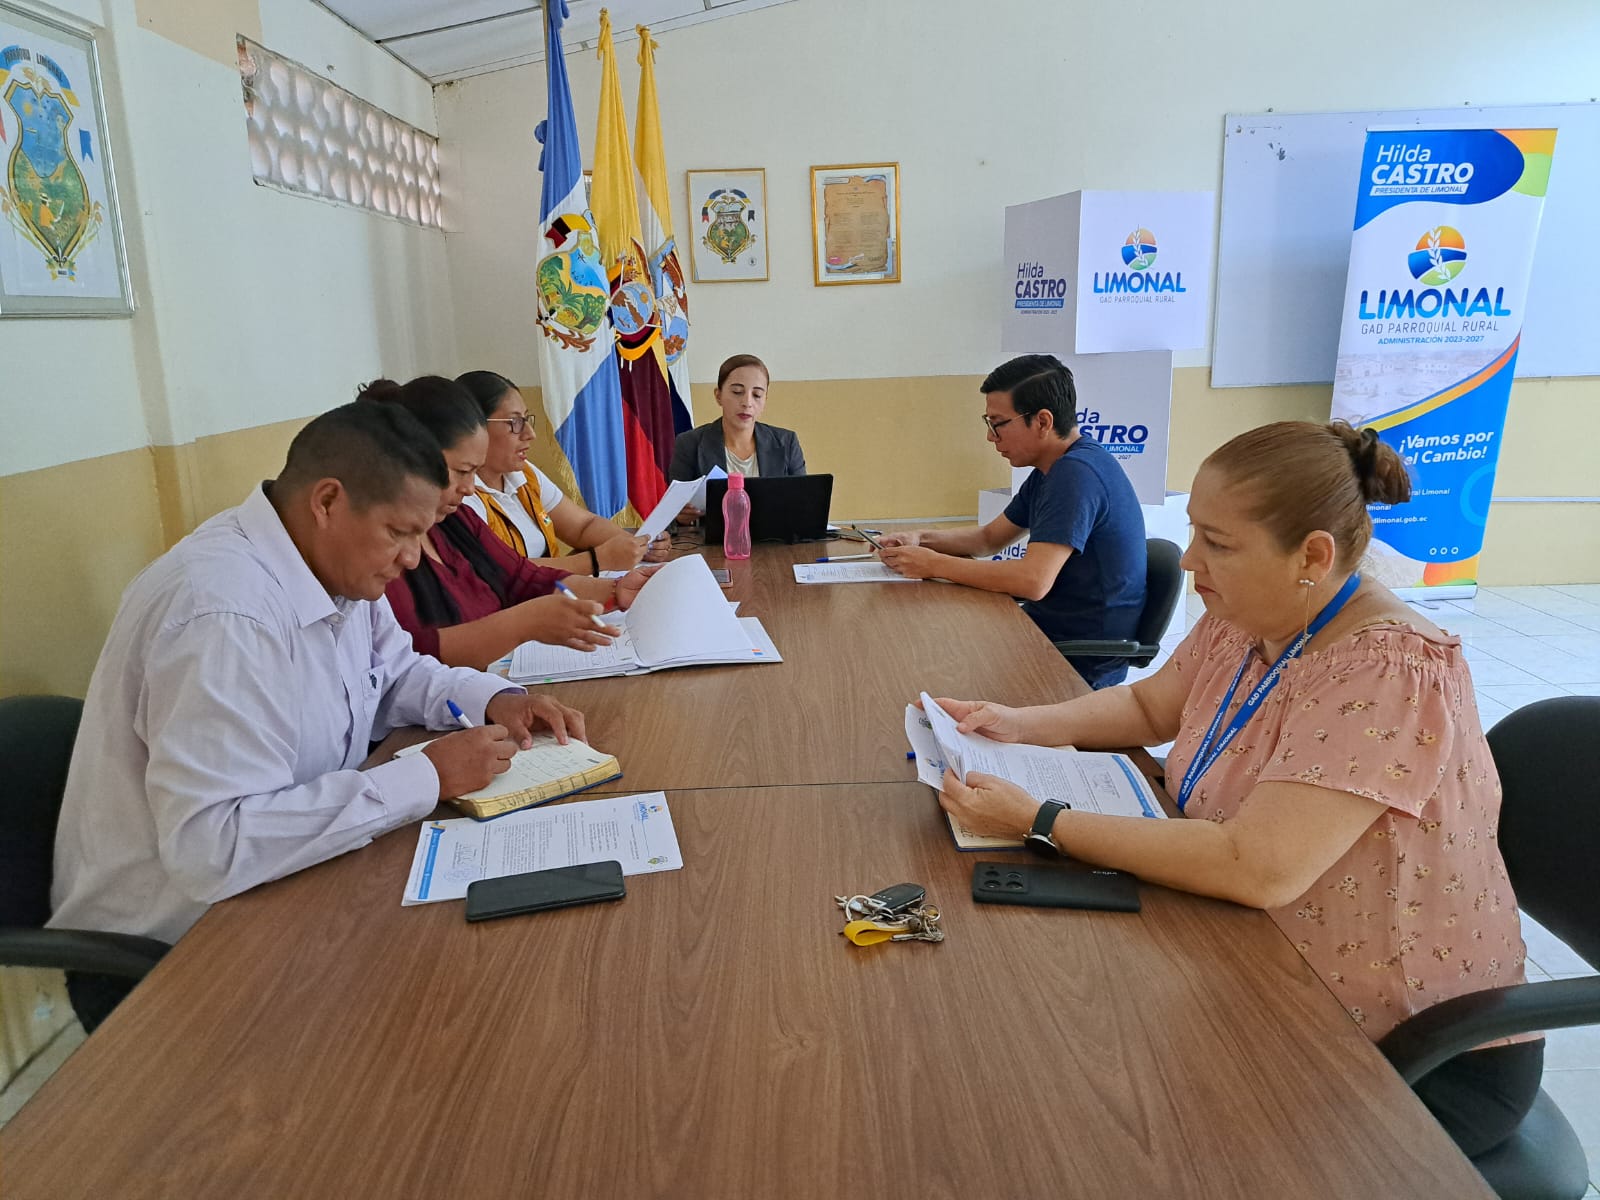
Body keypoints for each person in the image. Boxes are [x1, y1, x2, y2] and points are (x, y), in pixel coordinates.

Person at [929, 419, 1539, 1159]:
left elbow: (1259, 867)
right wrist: (1018, 723)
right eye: (1194, 532)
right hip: (1258, 958)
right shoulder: (1253, 614)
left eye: (1217, 543)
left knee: (1116, 1125)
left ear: (1312, 556)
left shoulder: (1386, 669)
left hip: (1406, 1045)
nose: (1191, 559)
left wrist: (1041, 818)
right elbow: (1149, 706)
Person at [50, 400, 587, 1031]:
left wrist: (493, 698)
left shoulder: (332, 566)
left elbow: (394, 672)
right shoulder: (222, 615)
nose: (413, 558)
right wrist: (426, 777)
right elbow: (212, 848)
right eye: (399, 533)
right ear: (328, 501)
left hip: (284, 886)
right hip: (177, 950)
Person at [878, 354, 1146, 688]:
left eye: (998, 423)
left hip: (1076, 659)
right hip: (1047, 632)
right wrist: (920, 538)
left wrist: (932, 564)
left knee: (928, 666)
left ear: (1043, 421)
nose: (991, 437)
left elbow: (1033, 581)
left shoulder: (1075, 474)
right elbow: (988, 539)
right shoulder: (1054, 468)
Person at [365, 376, 652, 671]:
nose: (469, 488)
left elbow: (521, 577)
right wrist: (523, 623)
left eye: (474, 473)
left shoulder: (456, 519)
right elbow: (411, 653)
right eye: (462, 471)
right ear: (415, 462)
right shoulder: (380, 553)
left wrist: (616, 589)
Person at [456, 370, 669, 571]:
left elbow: (582, 526)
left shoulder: (523, 474)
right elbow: (505, 572)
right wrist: (597, 560)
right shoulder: (462, 496)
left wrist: (634, 544)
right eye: (515, 422)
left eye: (527, 420)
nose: (530, 434)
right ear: (474, 428)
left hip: (553, 590)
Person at [669, 353, 805, 497]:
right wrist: (683, 511)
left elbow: (803, 500)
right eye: (737, 392)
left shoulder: (787, 443)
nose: (747, 403)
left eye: (757, 395)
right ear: (718, 395)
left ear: (765, 399)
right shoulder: (689, 444)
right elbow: (675, 505)